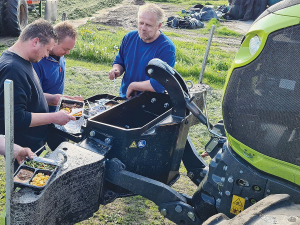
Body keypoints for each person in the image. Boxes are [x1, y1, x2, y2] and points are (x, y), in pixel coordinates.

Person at [0, 19, 75, 154]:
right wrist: (54, 117)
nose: (47, 54)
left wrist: (52, 98)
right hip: (23, 148)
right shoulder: (12, 69)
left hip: (33, 140)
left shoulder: (24, 60)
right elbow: (16, 117)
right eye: (47, 49)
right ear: (35, 42)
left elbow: (28, 94)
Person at [108, 3, 176, 99]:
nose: (143, 28)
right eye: (141, 23)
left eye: (148, 25)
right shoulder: (129, 38)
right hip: (126, 97)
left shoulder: (166, 48)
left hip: (150, 103)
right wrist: (116, 70)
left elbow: (159, 85)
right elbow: (120, 61)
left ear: (159, 26)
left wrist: (133, 85)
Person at [33, 21, 80, 112]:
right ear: (54, 42)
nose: (67, 53)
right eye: (65, 49)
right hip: (42, 114)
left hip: (57, 110)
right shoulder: (37, 62)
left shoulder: (60, 56)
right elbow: (34, 96)